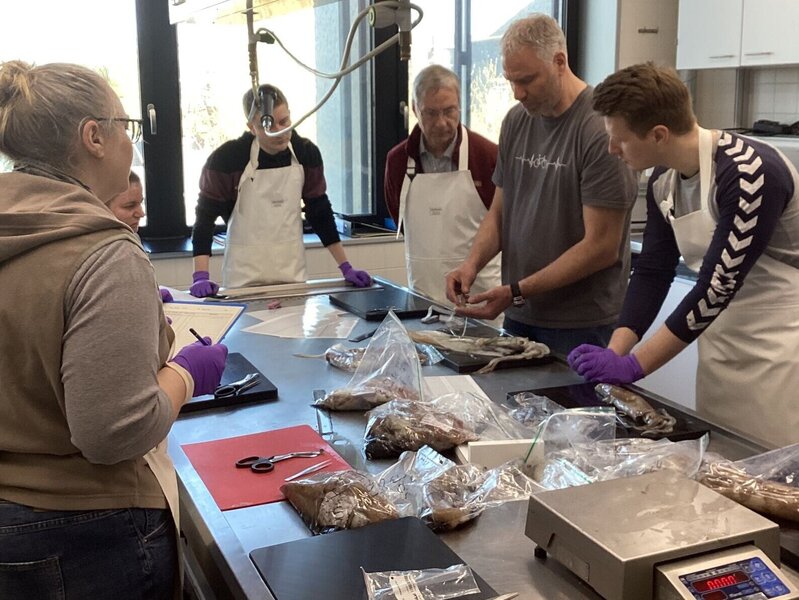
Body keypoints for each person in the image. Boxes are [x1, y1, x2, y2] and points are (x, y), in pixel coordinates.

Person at [0, 60, 228, 598]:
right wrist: (185, 374)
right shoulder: (103, 251)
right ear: (94, 137)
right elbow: (113, 432)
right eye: (127, 126)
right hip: (87, 533)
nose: (131, 143)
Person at [569, 62, 799, 448]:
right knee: (723, 462)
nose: (612, 149)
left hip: (780, 348)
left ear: (659, 134)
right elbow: (652, 271)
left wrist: (635, 366)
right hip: (720, 344)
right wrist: (615, 354)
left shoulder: (749, 173)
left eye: (619, 140)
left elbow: (715, 288)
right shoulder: (664, 181)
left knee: (774, 468)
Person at [445, 14, 637, 355]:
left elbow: (602, 246)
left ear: (559, 62)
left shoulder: (598, 129)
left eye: (527, 80)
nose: (518, 93)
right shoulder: (516, 122)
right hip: (521, 315)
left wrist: (517, 290)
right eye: (511, 81)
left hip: (582, 324)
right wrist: (470, 265)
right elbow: (500, 214)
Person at [189, 84, 372, 296]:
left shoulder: (306, 153)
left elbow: (320, 212)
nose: (279, 132)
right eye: (268, 125)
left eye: (284, 122)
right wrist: (200, 275)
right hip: (242, 281)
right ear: (251, 127)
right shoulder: (226, 160)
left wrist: (346, 267)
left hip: (292, 277)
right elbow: (204, 220)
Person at [384, 64, 500, 306]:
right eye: (431, 113)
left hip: (480, 300)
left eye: (449, 111)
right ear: (415, 109)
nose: (441, 123)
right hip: (422, 299)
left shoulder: (488, 156)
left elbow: (502, 224)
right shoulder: (397, 162)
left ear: (460, 106)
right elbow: (400, 219)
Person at [106, 170, 173, 302]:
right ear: (100, 207)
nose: (141, 213)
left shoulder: (132, 237)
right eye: (129, 206)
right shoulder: (103, 253)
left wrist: (151, 294)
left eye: (140, 203)